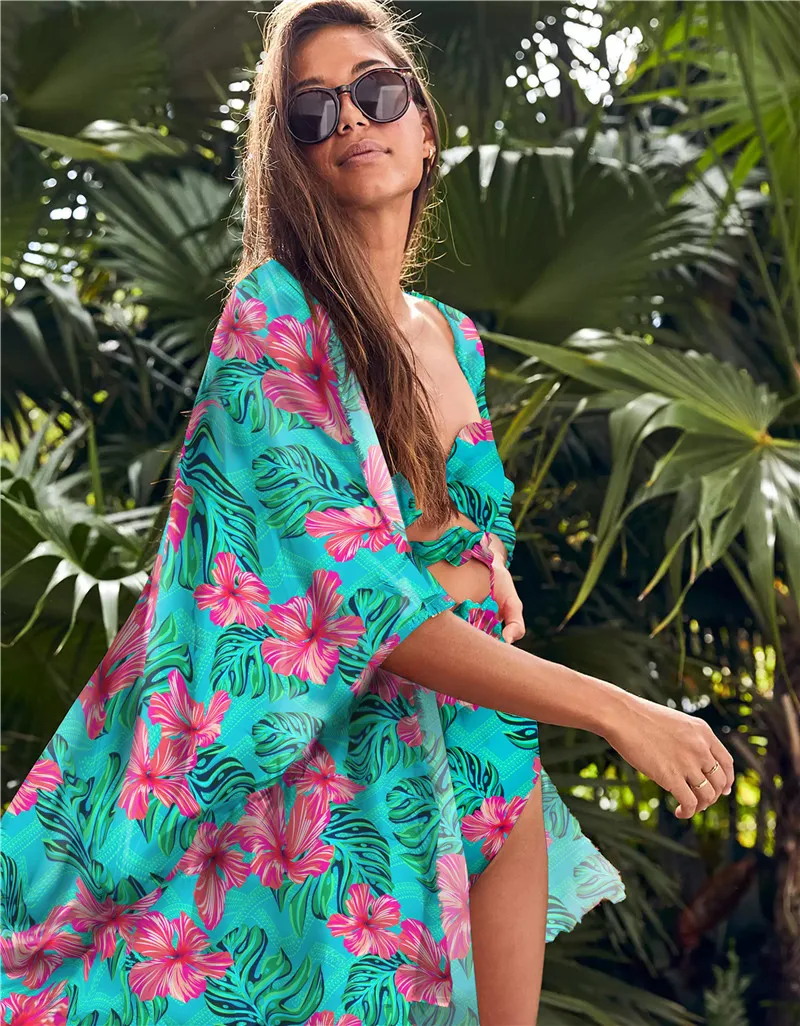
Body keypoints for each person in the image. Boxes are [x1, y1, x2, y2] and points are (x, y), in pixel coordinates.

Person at [0, 1, 734, 1023]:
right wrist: (617, 709)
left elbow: (458, 550)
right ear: (294, 160)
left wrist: (474, 572)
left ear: (425, 129)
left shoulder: (455, 339)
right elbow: (357, 599)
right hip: (328, 793)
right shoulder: (275, 318)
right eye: (313, 109)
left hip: (480, 761)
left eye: (377, 91)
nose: (350, 117)